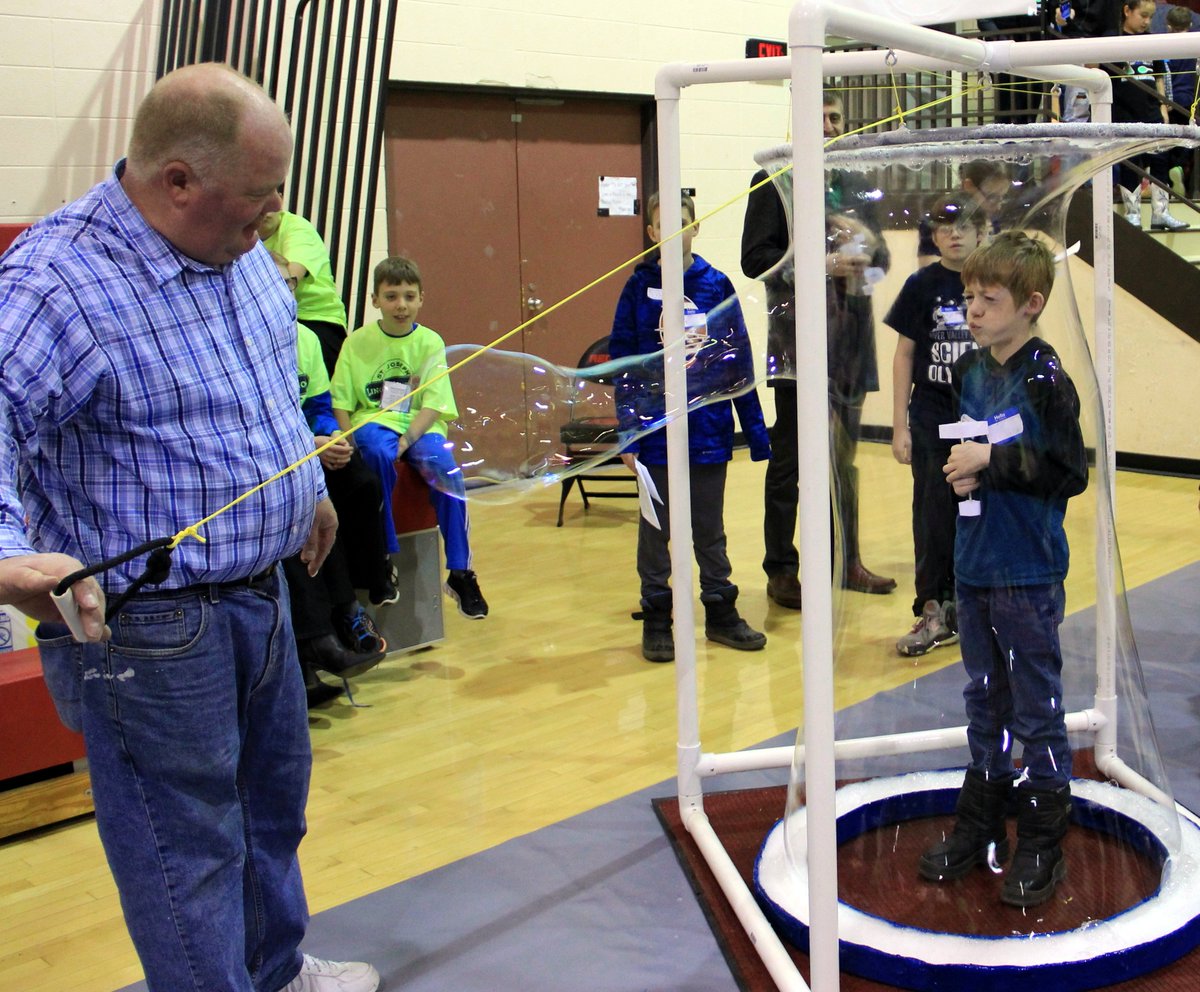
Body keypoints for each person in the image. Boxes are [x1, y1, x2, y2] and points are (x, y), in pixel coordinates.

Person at [0, 63, 379, 992]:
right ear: (177, 181)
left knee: (269, 812)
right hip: (148, 629)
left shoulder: (238, 251)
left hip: (262, 600)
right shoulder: (58, 281)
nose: (271, 222)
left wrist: (304, 488)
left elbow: (262, 388)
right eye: (256, 202)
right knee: (187, 850)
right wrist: (8, 555)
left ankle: (276, 972)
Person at [917, 231, 1088, 909]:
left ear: (1031, 303)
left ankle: (1044, 836)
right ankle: (981, 816)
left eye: (990, 299)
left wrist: (994, 464)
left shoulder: (1046, 380)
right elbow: (963, 442)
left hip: (1027, 569)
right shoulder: (973, 372)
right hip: (976, 562)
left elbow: (1069, 471)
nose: (975, 310)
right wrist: (957, 470)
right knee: (984, 699)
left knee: (1035, 704)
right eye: (968, 297)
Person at [741, 90, 897, 612]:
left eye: (835, 118)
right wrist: (820, 264)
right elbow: (754, 260)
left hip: (851, 344)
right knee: (789, 462)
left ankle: (844, 560)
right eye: (820, 117)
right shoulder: (772, 180)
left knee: (843, 461)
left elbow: (884, 264)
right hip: (796, 348)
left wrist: (867, 248)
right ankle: (781, 571)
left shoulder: (855, 185)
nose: (830, 126)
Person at [609, 191, 771, 662]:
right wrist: (628, 430)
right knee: (655, 528)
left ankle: (721, 613)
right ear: (652, 232)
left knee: (709, 528)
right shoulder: (637, 289)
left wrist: (755, 433)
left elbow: (737, 359)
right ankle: (658, 618)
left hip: (707, 431)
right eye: (665, 224)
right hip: (655, 433)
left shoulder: (714, 284)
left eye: (684, 222)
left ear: (696, 227)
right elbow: (623, 363)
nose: (675, 231)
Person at [331, 256, 489, 619]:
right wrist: (348, 439)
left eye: (408, 296)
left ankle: (462, 571)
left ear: (421, 299)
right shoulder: (357, 342)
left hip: (420, 426)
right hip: (373, 422)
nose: (400, 305)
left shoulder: (431, 341)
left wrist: (406, 442)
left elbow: (433, 405)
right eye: (391, 296)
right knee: (374, 453)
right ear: (375, 301)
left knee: (446, 468)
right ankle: (383, 558)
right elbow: (341, 401)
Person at [272, 253, 392, 706]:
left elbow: (319, 405)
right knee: (305, 506)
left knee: (359, 482)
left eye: (291, 285)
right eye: (277, 284)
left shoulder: (306, 338)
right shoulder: (246, 341)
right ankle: (320, 635)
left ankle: (363, 591)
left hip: (309, 451)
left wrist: (332, 437)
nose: (286, 293)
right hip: (276, 463)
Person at [886, 194, 986, 657]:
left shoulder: (992, 280)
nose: (955, 233)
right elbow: (905, 355)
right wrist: (899, 424)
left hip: (982, 415)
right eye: (945, 226)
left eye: (964, 225)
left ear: (982, 231)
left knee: (979, 510)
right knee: (931, 514)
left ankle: (975, 606)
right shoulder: (921, 284)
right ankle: (932, 606)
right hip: (930, 414)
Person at [1106, 0, 1190, 230]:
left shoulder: (1151, 40)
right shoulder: (1112, 39)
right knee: (1130, 163)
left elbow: (1160, 76)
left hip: (1152, 110)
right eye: (1143, 15)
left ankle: (1160, 213)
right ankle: (1133, 213)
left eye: (1150, 17)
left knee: (1160, 160)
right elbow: (1096, 70)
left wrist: (1163, 107)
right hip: (1124, 112)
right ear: (1127, 11)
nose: (1146, 21)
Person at [260, 208, 350, 375]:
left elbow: (288, 279)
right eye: (259, 200)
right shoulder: (239, 234)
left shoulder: (297, 228)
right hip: (272, 318)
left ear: (279, 200)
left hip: (316, 319)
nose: (266, 210)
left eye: (270, 202)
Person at [916, 160, 1010, 267]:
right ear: (968, 186)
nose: (998, 206)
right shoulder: (939, 219)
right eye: (992, 197)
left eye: (1002, 198)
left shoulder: (991, 221)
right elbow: (929, 272)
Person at [1164, 4, 1198, 197]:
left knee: (1169, 138)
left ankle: (1169, 174)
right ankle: (1179, 166)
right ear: (1190, 24)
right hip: (1190, 101)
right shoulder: (1194, 44)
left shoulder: (1165, 47)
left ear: (1168, 25)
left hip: (1169, 100)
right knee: (1189, 138)